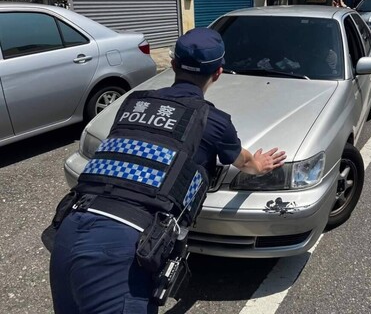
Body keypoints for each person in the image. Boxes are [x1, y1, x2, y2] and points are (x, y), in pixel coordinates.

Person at [48, 27, 287, 314]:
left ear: (172, 64)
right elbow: (245, 162)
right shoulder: (214, 120)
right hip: (122, 247)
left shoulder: (134, 103)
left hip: (71, 225)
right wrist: (260, 165)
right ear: (218, 72)